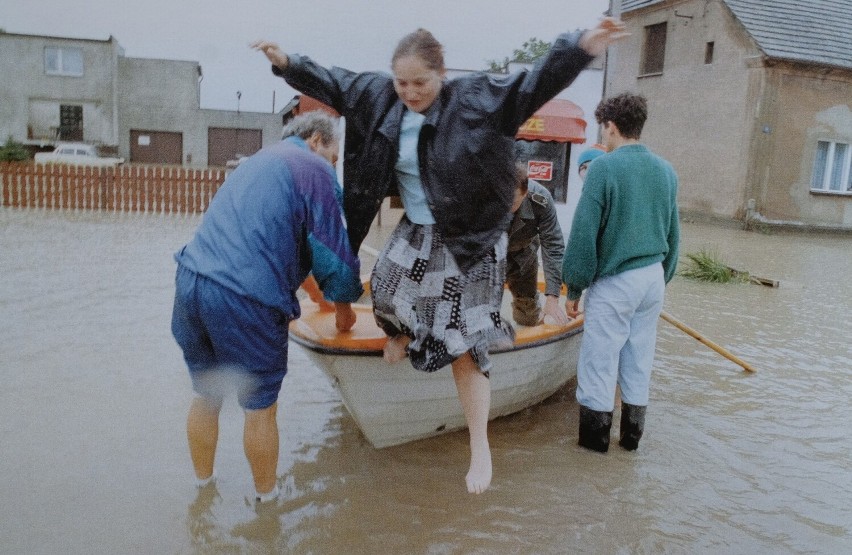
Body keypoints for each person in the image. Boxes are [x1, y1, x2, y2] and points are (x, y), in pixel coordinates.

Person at [253, 18, 627, 494]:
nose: (409, 92)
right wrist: (287, 64)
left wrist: (581, 47)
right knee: (385, 287)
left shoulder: (476, 99)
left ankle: (480, 449)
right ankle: (404, 334)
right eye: (401, 82)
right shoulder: (380, 95)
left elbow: (534, 83)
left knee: (463, 341)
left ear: (442, 74)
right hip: (419, 228)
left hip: (471, 235)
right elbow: (335, 83)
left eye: (420, 83)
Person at [170, 113, 363, 502]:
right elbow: (333, 255)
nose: (334, 167)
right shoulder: (313, 167)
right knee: (260, 410)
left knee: (206, 395)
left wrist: (313, 294)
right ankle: (268, 508)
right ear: (315, 141)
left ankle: (202, 492)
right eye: (335, 157)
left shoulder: (257, 162)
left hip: (191, 282)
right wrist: (344, 311)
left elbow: (266, 239)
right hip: (245, 300)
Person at [562, 92, 680, 453]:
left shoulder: (603, 168)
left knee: (599, 363)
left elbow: (584, 234)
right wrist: (662, 276)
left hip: (617, 282)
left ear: (611, 127)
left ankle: (594, 448)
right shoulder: (666, 170)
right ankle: (631, 442)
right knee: (638, 359)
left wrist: (573, 289)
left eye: (604, 129)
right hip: (652, 278)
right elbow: (674, 233)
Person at [506, 161, 570, 326]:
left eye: (512, 203)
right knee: (481, 311)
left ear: (525, 192)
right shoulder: (483, 192)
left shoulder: (541, 200)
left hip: (523, 257)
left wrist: (553, 297)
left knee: (528, 311)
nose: (505, 208)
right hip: (489, 257)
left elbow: (553, 246)